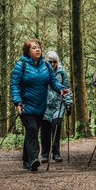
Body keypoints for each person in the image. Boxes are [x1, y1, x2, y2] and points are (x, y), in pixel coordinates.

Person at [10, 39, 69, 171]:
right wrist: (18, 102)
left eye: (39, 47)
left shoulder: (46, 66)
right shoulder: (21, 65)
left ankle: (26, 160)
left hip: (41, 106)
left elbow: (53, 82)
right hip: (25, 106)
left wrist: (61, 89)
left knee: (31, 132)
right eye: (33, 48)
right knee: (32, 130)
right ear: (27, 52)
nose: (37, 50)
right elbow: (15, 85)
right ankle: (33, 159)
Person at [40, 51, 73, 163]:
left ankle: (56, 153)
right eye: (50, 62)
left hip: (58, 105)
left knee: (56, 126)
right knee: (44, 129)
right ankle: (44, 154)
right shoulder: (41, 71)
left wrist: (68, 104)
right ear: (46, 61)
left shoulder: (62, 73)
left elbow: (67, 88)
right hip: (44, 105)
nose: (52, 64)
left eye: (54, 62)